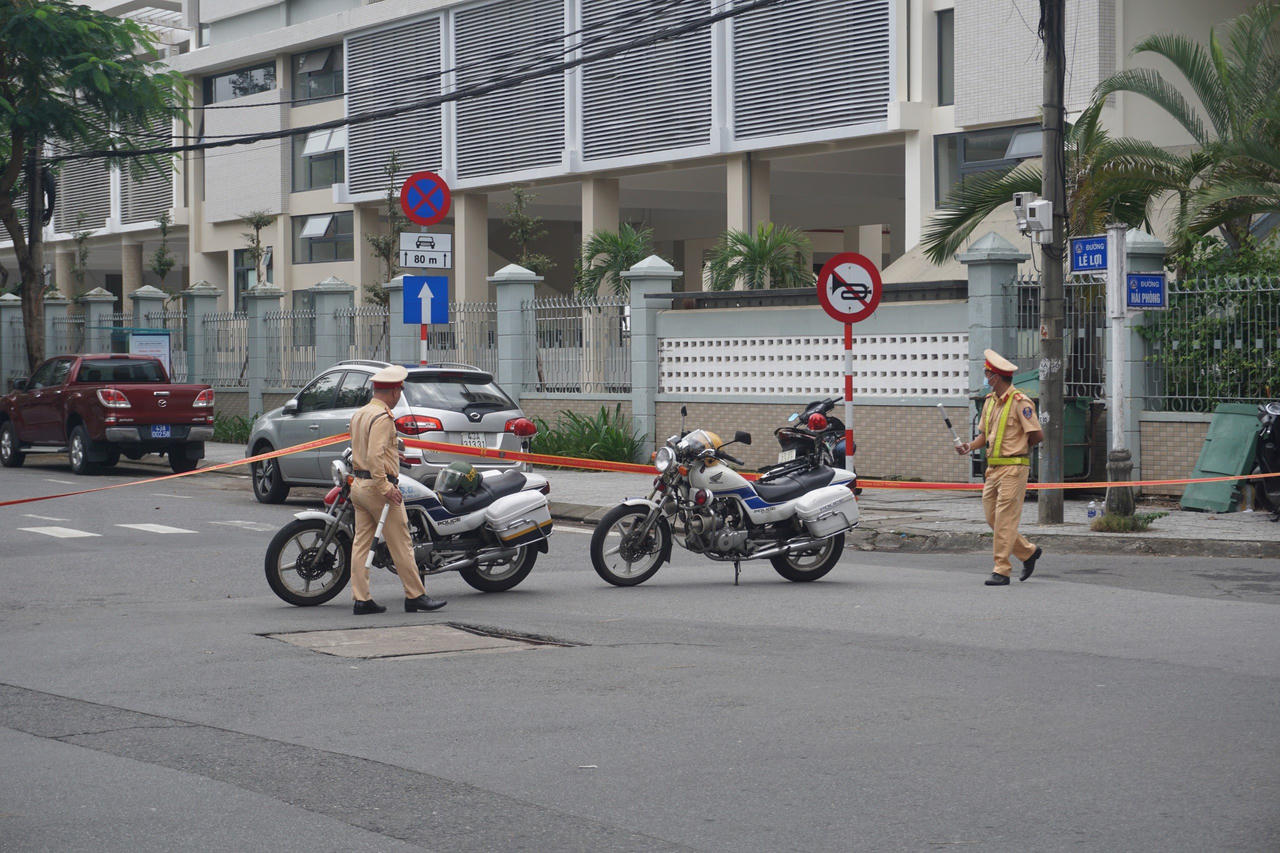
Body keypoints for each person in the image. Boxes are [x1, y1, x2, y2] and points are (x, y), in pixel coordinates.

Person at [348, 364, 447, 614]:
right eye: (399, 392)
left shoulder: (361, 413)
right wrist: (385, 486)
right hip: (378, 488)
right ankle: (415, 595)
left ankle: (362, 599)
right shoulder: (383, 418)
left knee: (361, 543)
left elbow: (365, 450)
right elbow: (374, 455)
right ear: (393, 392)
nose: (399, 396)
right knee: (401, 542)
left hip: (359, 485)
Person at [956, 349, 1044, 586]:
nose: (985, 377)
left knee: (1004, 520)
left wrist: (1019, 450)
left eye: (987, 373)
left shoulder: (1020, 402)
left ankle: (1001, 569)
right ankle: (1028, 552)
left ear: (995, 376)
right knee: (992, 518)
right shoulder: (990, 402)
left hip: (1014, 469)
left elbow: (1037, 434)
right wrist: (969, 446)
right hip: (992, 470)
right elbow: (984, 435)